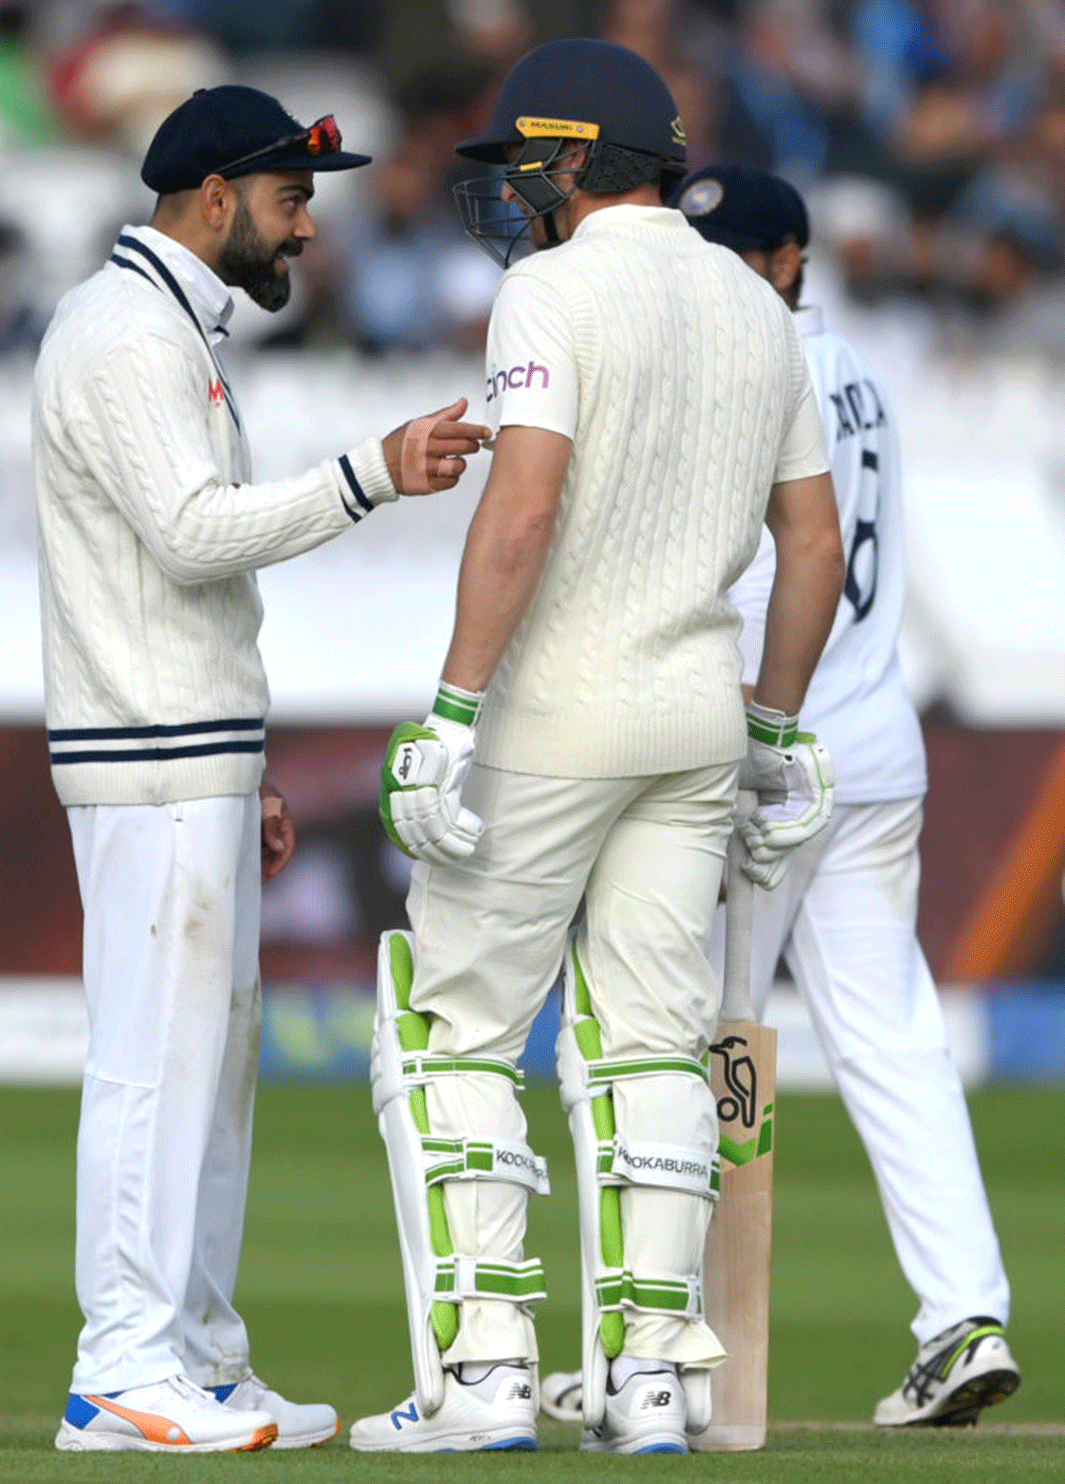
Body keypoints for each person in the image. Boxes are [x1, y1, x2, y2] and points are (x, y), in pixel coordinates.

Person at [349, 40, 845, 1456]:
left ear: (576, 158)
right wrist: (775, 725)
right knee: (652, 1049)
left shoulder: (549, 288)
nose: (513, 193)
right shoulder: (759, 310)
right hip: (695, 718)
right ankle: (647, 1382)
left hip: (559, 713)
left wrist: (451, 709)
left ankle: (490, 1368)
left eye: (524, 165)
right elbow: (811, 540)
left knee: (459, 1030)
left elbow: (523, 513)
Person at [31, 84, 488, 1455]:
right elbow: (187, 536)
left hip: (190, 748)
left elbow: (187, 582)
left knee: (208, 1068)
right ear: (216, 198)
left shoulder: (168, 325)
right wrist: (372, 473)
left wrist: (251, 760)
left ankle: (194, 1351)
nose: (305, 236)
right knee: (153, 1065)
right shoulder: (124, 332)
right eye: (291, 205)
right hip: (149, 755)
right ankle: (121, 1362)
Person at [541, 163, 1021, 1432]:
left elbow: (754, 572)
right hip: (876, 742)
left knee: (682, 1045)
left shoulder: (745, 369)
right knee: (893, 1038)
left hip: (763, 750)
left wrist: (746, 733)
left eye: (743, 257)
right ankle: (963, 1311)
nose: (724, 279)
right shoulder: (858, 365)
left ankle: (652, 1348)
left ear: (791, 260)